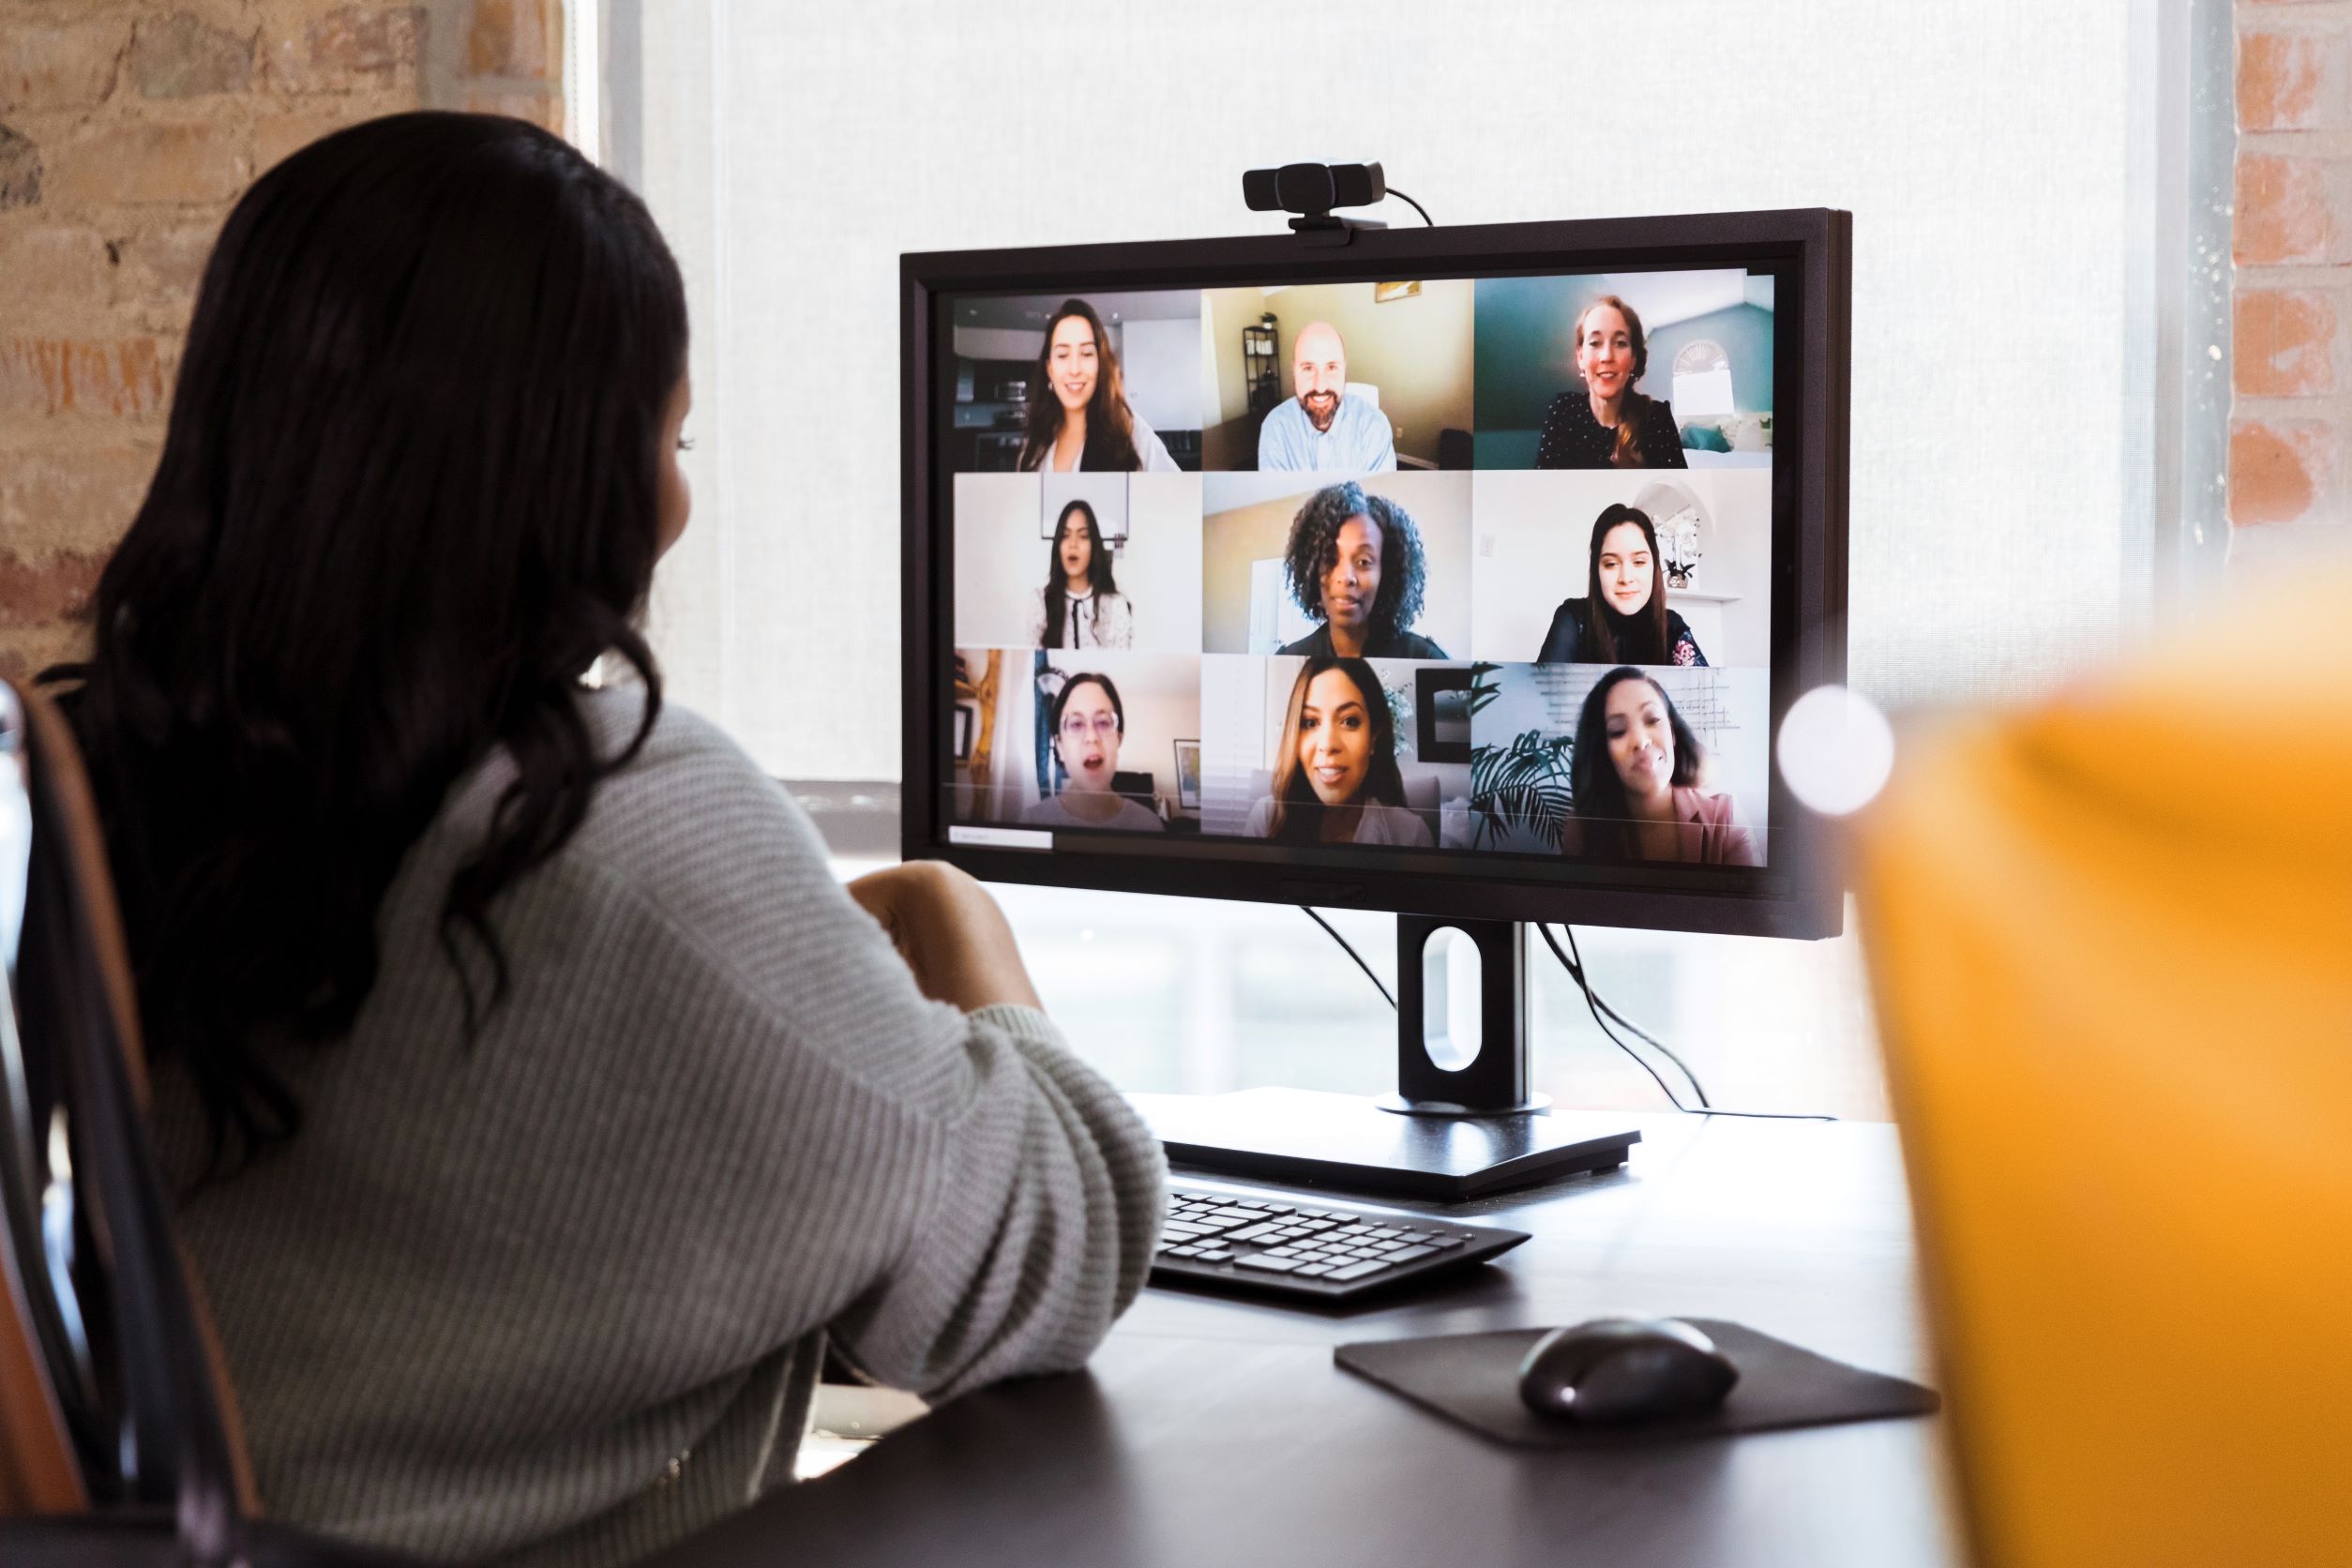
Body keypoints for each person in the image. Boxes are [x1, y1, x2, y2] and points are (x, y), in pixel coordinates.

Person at [40, 112, 1165, 1567]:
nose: (681, 500)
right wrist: (959, 927)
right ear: (568, 469)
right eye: (671, 434)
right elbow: (1053, 1252)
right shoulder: (617, 819)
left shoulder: (138, 781)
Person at [1559, 667, 1759, 865]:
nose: (1641, 740)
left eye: (1652, 719)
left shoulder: (1726, 818)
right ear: (1602, 751)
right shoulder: (1581, 829)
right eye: (1618, 730)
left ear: (1672, 732)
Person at [1243, 656, 1432, 847]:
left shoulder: (1411, 834)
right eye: (1310, 722)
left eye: (1350, 721)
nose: (1328, 744)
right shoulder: (1267, 819)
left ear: (1373, 737)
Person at [1274, 480, 1449, 659]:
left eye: (1363, 562)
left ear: (1386, 572)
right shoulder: (1289, 659)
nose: (1346, 577)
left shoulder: (1426, 659)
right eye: (1330, 559)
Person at [1016, 297, 1180, 473]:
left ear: (1100, 365)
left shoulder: (1129, 431)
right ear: (1050, 370)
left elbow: (1180, 494)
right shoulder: (1035, 443)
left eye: (1086, 354)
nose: (1074, 369)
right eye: (1063, 355)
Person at [1536, 503, 1709, 665]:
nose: (1626, 578)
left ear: (1654, 567)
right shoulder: (1573, 618)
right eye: (1611, 564)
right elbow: (1539, 690)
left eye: (1639, 562)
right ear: (1596, 570)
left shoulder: (1672, 626)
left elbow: (1709, 692)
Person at [1533, 294, 1688, 470]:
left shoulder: (1657, 418)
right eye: (1594, 343)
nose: (1607, 356)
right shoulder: (1564, 410)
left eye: (1620, 343)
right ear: (1580, 356)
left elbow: (1675, 493)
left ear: (1633, 359)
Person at [1019, 671, 1165, 832]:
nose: (1091, 737)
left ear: (1119, 738)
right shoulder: (1031, 823)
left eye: (1103, 722)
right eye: (1076, 724)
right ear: (1060, 746)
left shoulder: (1150, 825)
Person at [1256, 320, 1397, 473]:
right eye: (1308, 368)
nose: (1320, 386)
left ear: (1344, 369)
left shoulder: (1375, 427)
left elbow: (1379, 495)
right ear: (1294, 371)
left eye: (1331, 367)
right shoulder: (1275, 429)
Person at [1026, 499, 1134, 648]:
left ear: (1093, 546)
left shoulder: (1115, 605)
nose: (1073, 544)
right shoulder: (1040, 601)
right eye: (1065, 535)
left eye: (1083, 536)